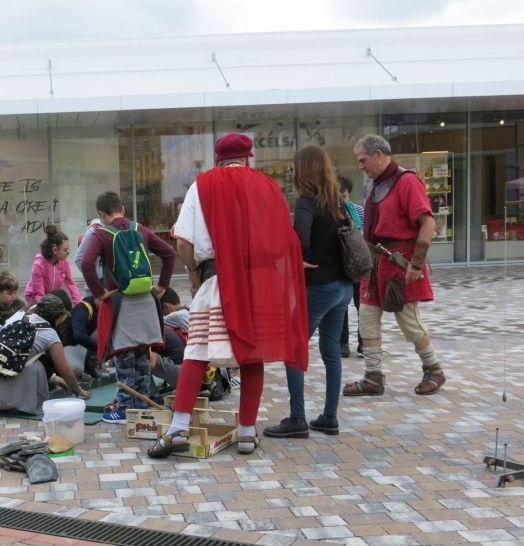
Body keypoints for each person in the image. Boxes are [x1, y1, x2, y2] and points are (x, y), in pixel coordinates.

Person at [151, 132, 308, 457]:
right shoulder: (267, 186)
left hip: (217, 280)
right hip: (261, 285)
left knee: (197, 352)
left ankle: (179, 427)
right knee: (253, 355)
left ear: (218, 158)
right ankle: (248, 433)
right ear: (249, 157)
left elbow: (183, 244)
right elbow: (284, 241)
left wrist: (194, 275)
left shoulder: (202, 185)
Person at [344, 134, 447, 397]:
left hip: (400, 263)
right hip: (375, 263)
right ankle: (373, 377)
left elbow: (427, 223)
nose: (361, 166)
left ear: (379, 153)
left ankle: (433, 369)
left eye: (363, 160)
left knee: (409, 321)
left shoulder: (407, 182)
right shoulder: (373, 185)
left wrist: (416, 264)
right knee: (366, 319)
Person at [264, 146, 353, 439]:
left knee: (293, 347)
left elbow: (298, 240)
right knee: (331, 353)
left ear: (302, 170)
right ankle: (329, 417)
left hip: (318, 287)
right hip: (342, 286)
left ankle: (297, 418)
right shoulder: (338, 201)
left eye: (293, 168)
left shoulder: (307, 202)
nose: (291, 173)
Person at [81, 191, 177, 424]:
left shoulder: (101, 234)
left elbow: (86, 263)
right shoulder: (140, 229)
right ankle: (142, 404)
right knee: (142, 355)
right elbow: (169, 253)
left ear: (102, 214)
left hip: (121, 304)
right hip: (146, 302)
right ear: (123, 209)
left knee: (124, 357)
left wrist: (99, 293)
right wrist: (162, 285)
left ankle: (124, 409)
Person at [0, 294, 91, 414]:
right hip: (14, 371)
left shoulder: (20, 314)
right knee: (45, 361)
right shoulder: (50, 334)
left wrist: (55, 379)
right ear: (57, 317)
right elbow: (65, 370)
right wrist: (78, 390)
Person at [24, 225, 83, 306]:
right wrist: (47, 309)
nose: (68, 252)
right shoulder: (39, 265)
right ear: (55, 250)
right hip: (34, 298)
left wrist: (78, 303)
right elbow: (39, 294)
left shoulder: (64, 262)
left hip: (51, 296)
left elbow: (71, 283)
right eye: (65, 250)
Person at [338, 175, 364, 358]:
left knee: (362, 304)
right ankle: (343, 343)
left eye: (344, 195)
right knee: (342, 306)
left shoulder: (359, 211)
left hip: (359, 263)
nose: (342, 199)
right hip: (340, 265)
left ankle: (364, 343)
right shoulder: (331, 213)